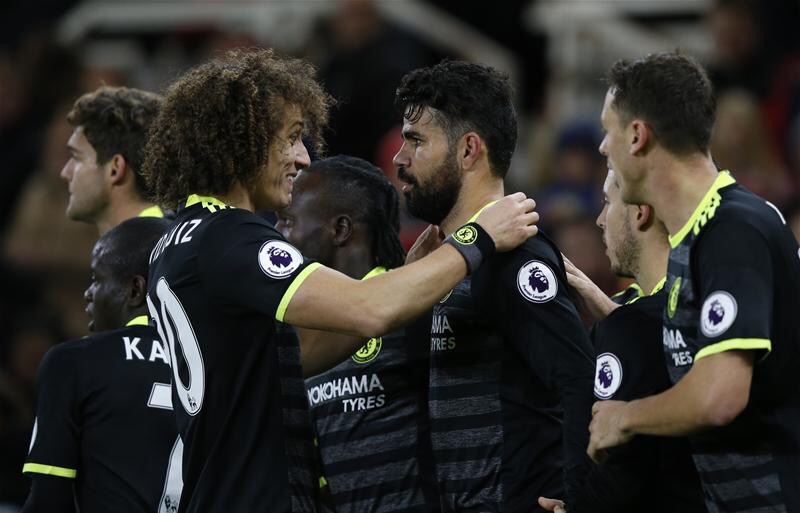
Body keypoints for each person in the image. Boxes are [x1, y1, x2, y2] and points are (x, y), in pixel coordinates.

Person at [141, 48, 537, 513]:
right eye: (291, 137)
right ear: (243, 140)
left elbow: (295, 357)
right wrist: (478, 238)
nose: (302, 157)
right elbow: (367, 309)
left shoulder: (174, 244)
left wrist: (410, 275)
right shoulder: (230, 235)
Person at [588, 52, 800, 513]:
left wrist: (624, 417)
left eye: (608, 131)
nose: (603, 148)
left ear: (637, 136)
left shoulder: (734, 231)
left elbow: (719, 396)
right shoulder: (695, 236)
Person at [391, 60, 594, 512]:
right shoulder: (441, 263)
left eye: (416, 141)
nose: (399, 159)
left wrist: (580, 497)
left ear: (469, 150)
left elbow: (579, 378)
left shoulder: (513, 256)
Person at [276, 155, 439, 513]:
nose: (276, 235)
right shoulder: (307, 331)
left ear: (340, 230)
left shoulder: (411, 309)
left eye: (288, 221)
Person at [538, 169, 706, 513]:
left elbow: (618, 472)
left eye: (607, 202)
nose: (600, 220)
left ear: (640, 212)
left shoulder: (630, 325)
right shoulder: (704, 303)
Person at [22, 217, 181, 513]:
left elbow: (49, 499)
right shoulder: (219, 370)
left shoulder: (73, 361)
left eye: (97, 279)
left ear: (135, 290)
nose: (88, 293)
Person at [61, 86, 166, 235]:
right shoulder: (164, 239)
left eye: (77, 158)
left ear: (115, 169)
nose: (65, 173)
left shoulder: (139, 245)